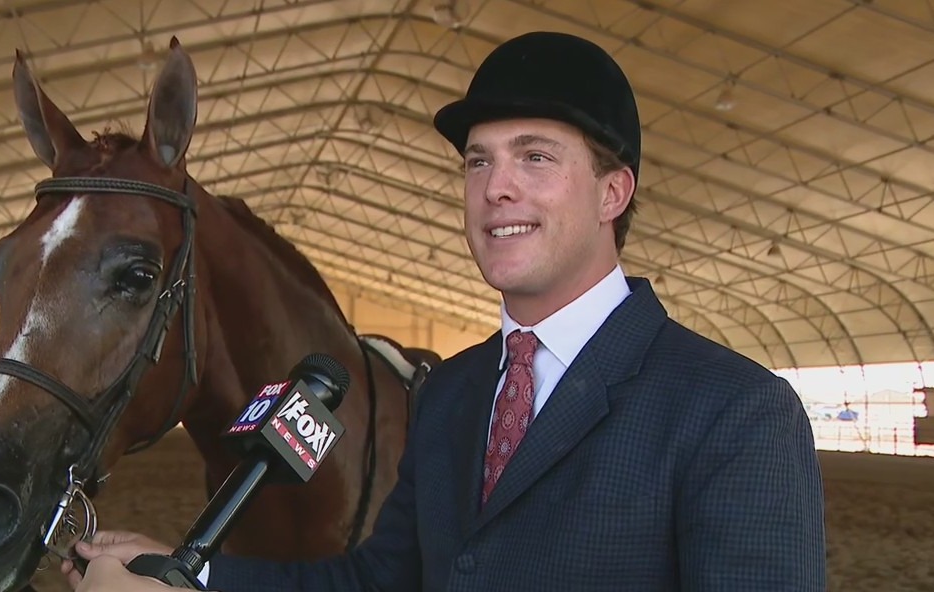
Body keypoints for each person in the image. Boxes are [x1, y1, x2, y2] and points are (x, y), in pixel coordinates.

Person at [63, 30, 826, 591]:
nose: (495, 188)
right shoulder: (451, 396)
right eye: (477, 161)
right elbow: (380, 581)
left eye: (534, 156)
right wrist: (183, 581)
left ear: (611, 193)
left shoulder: (737, 414)